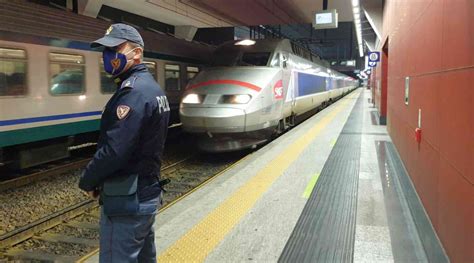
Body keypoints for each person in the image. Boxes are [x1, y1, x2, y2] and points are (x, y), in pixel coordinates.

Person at [78, 23, 170, 263]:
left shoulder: (133, 93)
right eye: (105, 51)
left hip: (128, 201)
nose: (108, 57)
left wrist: (88, 180)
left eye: (115, 49)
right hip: (145, 194)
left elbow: (114, 150)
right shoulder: (152, 89)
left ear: (136, 52)